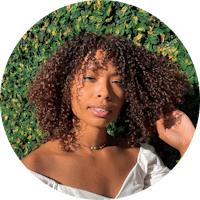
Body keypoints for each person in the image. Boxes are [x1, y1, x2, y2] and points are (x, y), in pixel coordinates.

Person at [21, 32, 195, 199]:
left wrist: (187, 144)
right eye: (90, 77)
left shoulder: (142, 160)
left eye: (117, 82)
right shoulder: (35, 171)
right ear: (65, 85)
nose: (105, 92)